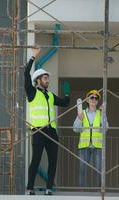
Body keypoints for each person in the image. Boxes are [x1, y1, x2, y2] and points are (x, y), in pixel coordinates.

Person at [25, 48, 70, 195]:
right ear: (38, 80)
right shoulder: (32, 92)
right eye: (45, 78)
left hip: (51, 132)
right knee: (36, 160)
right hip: (38, 130)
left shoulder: (50, 95)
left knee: (53, 161)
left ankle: (48, 188)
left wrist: (67, 94)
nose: (48, 80)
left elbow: (64, 103)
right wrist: (33, 57)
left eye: (48, 78)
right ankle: (30, 188)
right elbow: (25, 74)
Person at [73, 89, 107, 188]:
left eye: (96, 98)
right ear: (87, 100)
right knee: (82, 169)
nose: (94, 99)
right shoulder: (82, 113)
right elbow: (75, 129)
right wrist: (79, 119)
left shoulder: (100, 113)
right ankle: (81, 193)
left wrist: (103, 114)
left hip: (97, 146)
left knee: (98, 170)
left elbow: (105, 128)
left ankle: (98, 192)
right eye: (91, 97)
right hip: (84, 146)